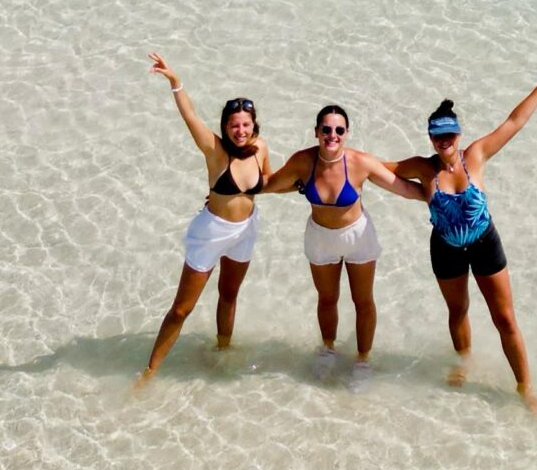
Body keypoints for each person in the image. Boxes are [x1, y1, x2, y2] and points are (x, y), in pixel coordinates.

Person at [396, 67, 537, 411]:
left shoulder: (476, 154)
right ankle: (463, 364)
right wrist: (338, 159)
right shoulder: (423, 168)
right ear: (430, 138)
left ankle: (524, 388)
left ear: (458, 134)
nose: (444, 141)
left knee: (504, 318)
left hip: (485, 243)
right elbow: (375, 169)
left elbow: (513, 122)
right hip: (445, 248)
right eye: (437, 136)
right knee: (458, 310)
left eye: (449, 134)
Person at [263, 106, 423, 386]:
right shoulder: (302, 161)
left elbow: (406, 188)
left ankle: (363, 360)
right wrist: (227, 194)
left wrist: (445, 198)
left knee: (363, 301)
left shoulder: (361, 162)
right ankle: (327, 349)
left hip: (358, 237)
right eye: (326, 129)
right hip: (319, 237)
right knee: (327, 299)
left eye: (339, 130)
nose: (332, 135)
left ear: (347, 133)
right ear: (316, 132)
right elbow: (271, 185)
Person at [138, 54, 270, 383]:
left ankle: (222, 352)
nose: (240, 130)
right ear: (225, 127)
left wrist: (307, 183)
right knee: (182, 308)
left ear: (253, 124)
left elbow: (268, 182)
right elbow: (190, 115)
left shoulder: (261, 148)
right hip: (210, 233)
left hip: (246, 230)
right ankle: (150, 371)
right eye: (233, 125)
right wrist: (175, 81)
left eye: (245, 124)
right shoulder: (214, 150)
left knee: (229, 294)